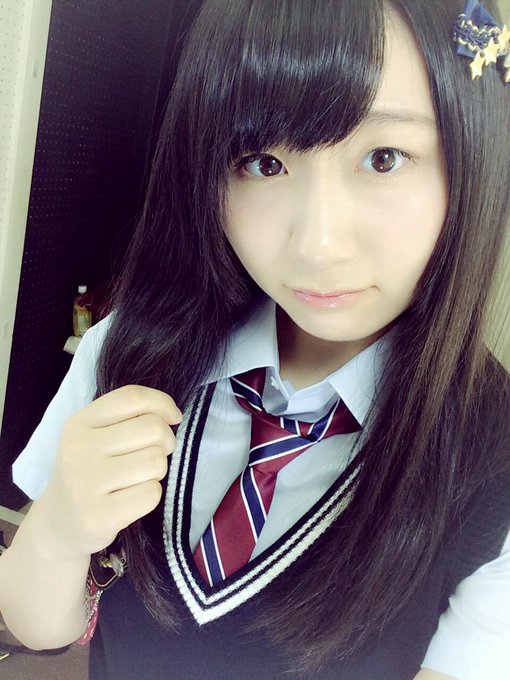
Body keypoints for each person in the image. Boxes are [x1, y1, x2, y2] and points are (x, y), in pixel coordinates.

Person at [1, 0, 509, 678]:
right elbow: (37, 627)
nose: (317, 244)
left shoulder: (492, 457)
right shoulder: (133, 348)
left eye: (384, 157)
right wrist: (61, 529)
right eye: (263, 163)